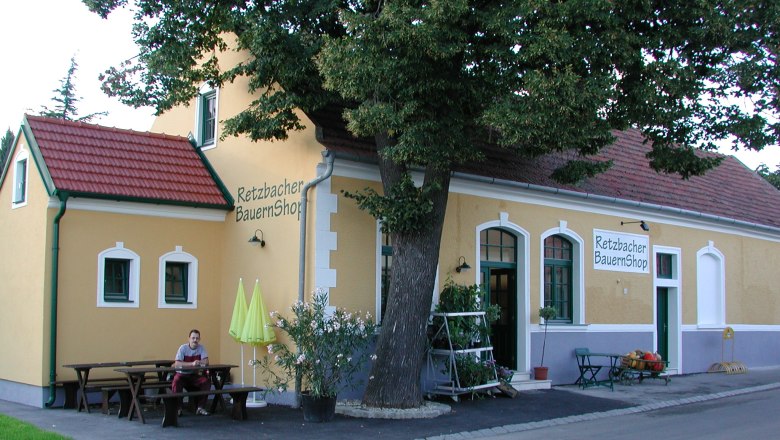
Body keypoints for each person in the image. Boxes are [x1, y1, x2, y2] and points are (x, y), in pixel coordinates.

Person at [172, 329, 211, 416]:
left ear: (199, 339)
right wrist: (192, 364)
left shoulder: (201, 348)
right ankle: (178, 408)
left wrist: (199, 362)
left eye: (197, 338)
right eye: (193, 338)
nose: (195, 340)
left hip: (193, 375)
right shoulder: (183, 348)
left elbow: (206, 361)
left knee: (206, 381)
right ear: (189, 338)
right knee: (176, 381)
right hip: (181, 375)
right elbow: (177, 363)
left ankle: (200, 408)